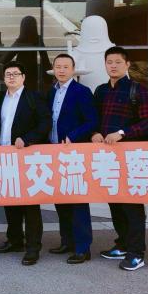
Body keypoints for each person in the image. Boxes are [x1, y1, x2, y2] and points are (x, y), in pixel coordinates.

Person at [92, 46, 148, 271]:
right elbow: (94, 119)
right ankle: (122, 243)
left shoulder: (139, 90)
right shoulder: (100, 91)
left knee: (132, 205)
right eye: (109, 61)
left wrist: (122, 134)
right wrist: (94, 133)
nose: (113, 65)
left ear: (127, 65)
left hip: (131, 158)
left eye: (118, 62)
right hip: (107, 158)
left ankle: (137, 253)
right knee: (115, 202)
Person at [0, 62, 51, 266]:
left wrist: (28, 139)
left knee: (30, 204)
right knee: (10, 202)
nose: (11, 77)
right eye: (8, 74)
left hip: (26, 157)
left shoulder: (33, 98)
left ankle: (33, 247)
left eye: (16, 74)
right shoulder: (0, 98)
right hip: (4, 158)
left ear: (23, 77)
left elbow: (45, 123)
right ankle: (15, 240)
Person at [46, 54, 98, 264]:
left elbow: (92, 121)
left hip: (73, 153)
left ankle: (83, 247)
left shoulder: (81, 91)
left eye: (66, 67)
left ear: (73, 69)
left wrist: (73, 136)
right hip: (54, 152)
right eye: (58, 67)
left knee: (77, 201)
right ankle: (66, 241)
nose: (61, 70)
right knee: (61, 200)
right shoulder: (52, 91)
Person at [0, 16, 52, 92]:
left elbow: (6, 59)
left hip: (19, 71)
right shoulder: (37, 39)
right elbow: (45, 58)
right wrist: (47, 77)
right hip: (33, 72)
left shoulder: (20, 41)